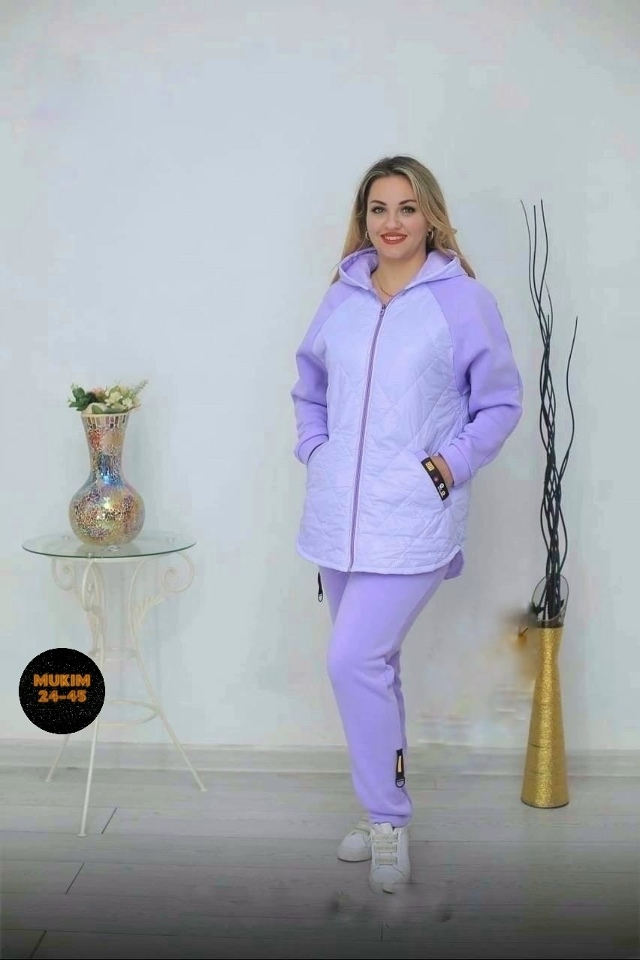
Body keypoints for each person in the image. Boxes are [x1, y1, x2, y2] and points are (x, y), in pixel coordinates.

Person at [290, 155, 523, 893]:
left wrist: (448, 466)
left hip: (415, 517)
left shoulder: (463, 300)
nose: (392, 223)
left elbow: (500, 403)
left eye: (407, 208)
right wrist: (316, 449)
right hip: (338, 519)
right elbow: (309, 386)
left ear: (431, 217)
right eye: (379, 209)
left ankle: (387, 821)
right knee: (375, 667)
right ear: (363, 219)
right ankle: (381, 811)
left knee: (350, 660)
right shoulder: (342, 296)